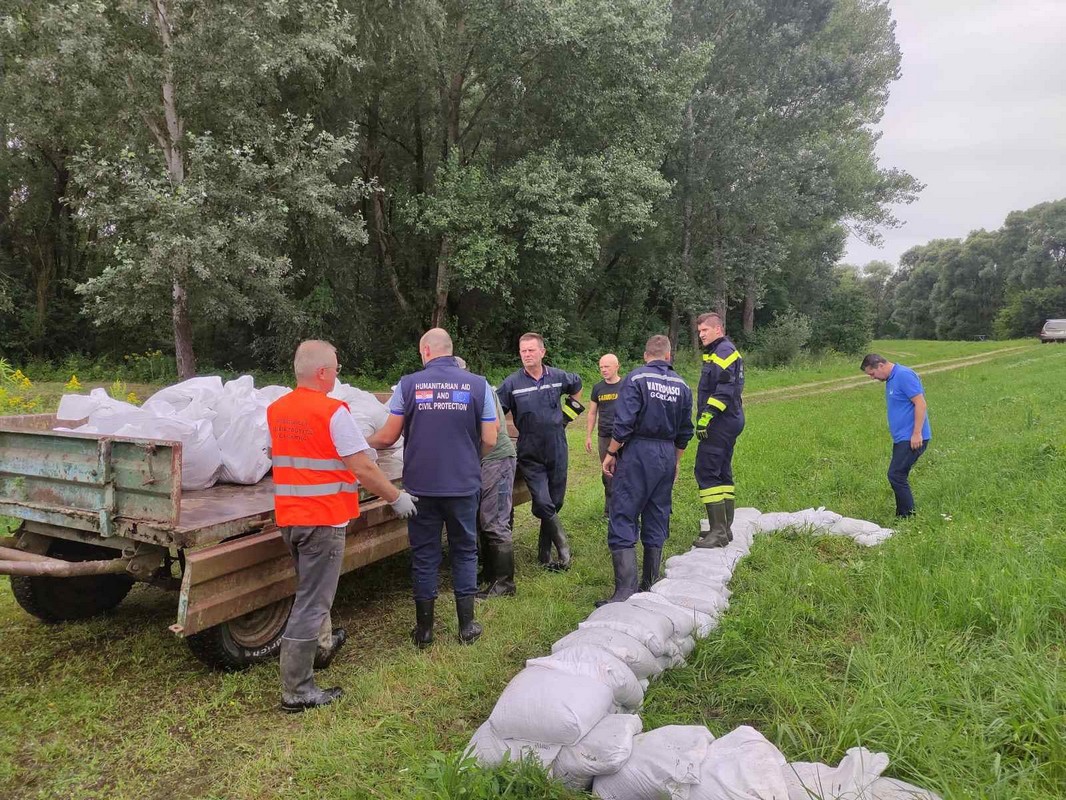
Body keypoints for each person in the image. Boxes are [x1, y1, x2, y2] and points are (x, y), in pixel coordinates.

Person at [267, 340, 417, 713]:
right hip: (322, 520)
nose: (337, 375)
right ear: (322, 373)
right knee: (312, 602)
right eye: (334, 368)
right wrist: (394, 498)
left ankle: (321, 647)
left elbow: (279, 455)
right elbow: (363, 467)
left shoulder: (276, 410)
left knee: (308, 591)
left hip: (290, 516)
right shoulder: (332, 412)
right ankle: (297, 690)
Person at [368, 329, 498, 648]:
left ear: (426, 351)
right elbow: (491, 439)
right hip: (463, 485)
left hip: (420, 487)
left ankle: (424, 631)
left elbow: (387, 438)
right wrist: (469, 459)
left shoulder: (408, 384)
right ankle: (467, 627)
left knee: (424, 555)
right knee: (465, 551)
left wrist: (356, 445)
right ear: (450, 351)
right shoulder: (479, 384)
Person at [598, 335, 693, 605]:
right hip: (666, 453)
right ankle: (650, 585)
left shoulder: (636, 379)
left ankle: (625, 591)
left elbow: (624, 421)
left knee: (624, 512)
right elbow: (686, 431)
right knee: (657, 513)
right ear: (668, 355)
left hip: (638, 452)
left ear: (645, 355)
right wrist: (675, 461)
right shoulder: (682, 385)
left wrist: (612, 452)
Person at [497, 333, 583, 571]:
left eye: (531, 350)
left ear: (542, 352)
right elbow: (494, 411)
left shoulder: (557, 377)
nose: (527, 355)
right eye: (523, 351)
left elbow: (577, 386)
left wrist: (567, 417)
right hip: (529, 449)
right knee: (543, 500)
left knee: (556, 501)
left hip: (557, 445)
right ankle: (563, 546)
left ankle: (544, 552)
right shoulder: (512, 383)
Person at [455, 356, 518, 599]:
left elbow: (493, 431)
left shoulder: (478, 387)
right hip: (481, 459)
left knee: (494, 520)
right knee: (482, 519)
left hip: (496, 459)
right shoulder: (471, 388)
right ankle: (490, 572)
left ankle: (504, 584)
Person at [692, 312, 745, 548]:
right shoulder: (718, 351)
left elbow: (724, 388)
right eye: (699, 331)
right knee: (722, 472)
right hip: (730, 419)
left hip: (721, 421)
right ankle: (724, 529)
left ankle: (718, 532)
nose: (701, 334)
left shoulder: (723, 351)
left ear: (718, 329)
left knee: (706, 471)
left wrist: (707, 416)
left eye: (705, 330)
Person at [861, 353, 931, 517]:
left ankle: (907, 516)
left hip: (912, 438)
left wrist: (916, 433)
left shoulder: (903, 375)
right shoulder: (892, 378)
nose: (873, 378)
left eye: (872, 374)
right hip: (902, 438)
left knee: (896, 475)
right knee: (899, 475)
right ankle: (902, 514)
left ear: (880, 365)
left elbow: (920, 403)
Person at [586, 353, 623, 519]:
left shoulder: (626, 386)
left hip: (623, 436)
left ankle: (625, 508)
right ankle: (608, 510)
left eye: (607, 366)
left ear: (617, 366)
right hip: (604, 436)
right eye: (601, 367)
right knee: (607, 471)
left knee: (624, 471)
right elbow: (592, 413)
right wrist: (588, 435)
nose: (604, 370)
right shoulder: (597, 388)